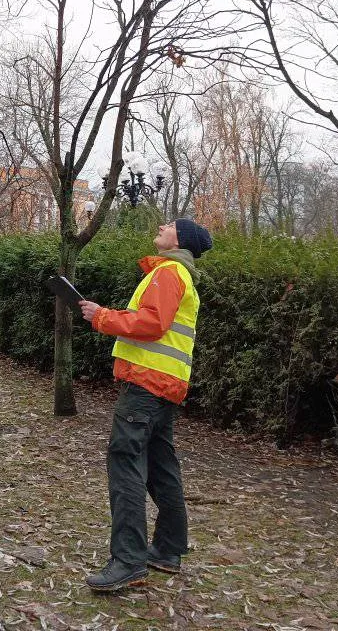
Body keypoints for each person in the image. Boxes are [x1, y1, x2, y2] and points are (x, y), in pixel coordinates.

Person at [78, 218, 212, 592]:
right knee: (160, 465)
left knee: (125, 464)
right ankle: (167, 550)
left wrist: (102, 316)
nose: (160, 225)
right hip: (165, 385)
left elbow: (152, 323)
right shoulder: (179, 274)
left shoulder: (169, 272)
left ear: (179, 239)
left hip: (146, 385)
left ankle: (128, 560)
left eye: (169, 225)